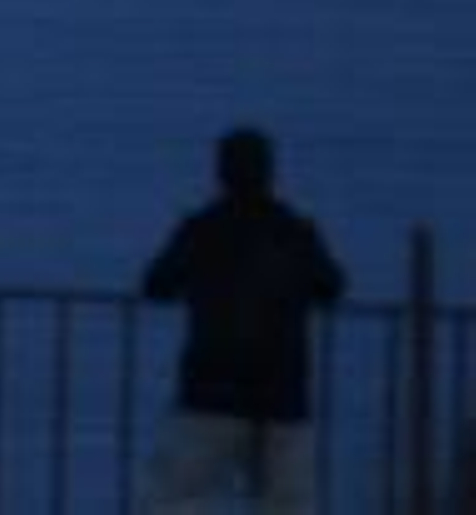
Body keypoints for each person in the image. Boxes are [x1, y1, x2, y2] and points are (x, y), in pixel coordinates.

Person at [141, 126, 346, 513]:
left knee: (171, 499)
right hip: (282, 394)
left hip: (210, 391)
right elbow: (332, 287)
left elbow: (156, 285)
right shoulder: (295, 232)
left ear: (220, 174)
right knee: (289, 504)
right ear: (270, 173)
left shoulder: (202, 230)